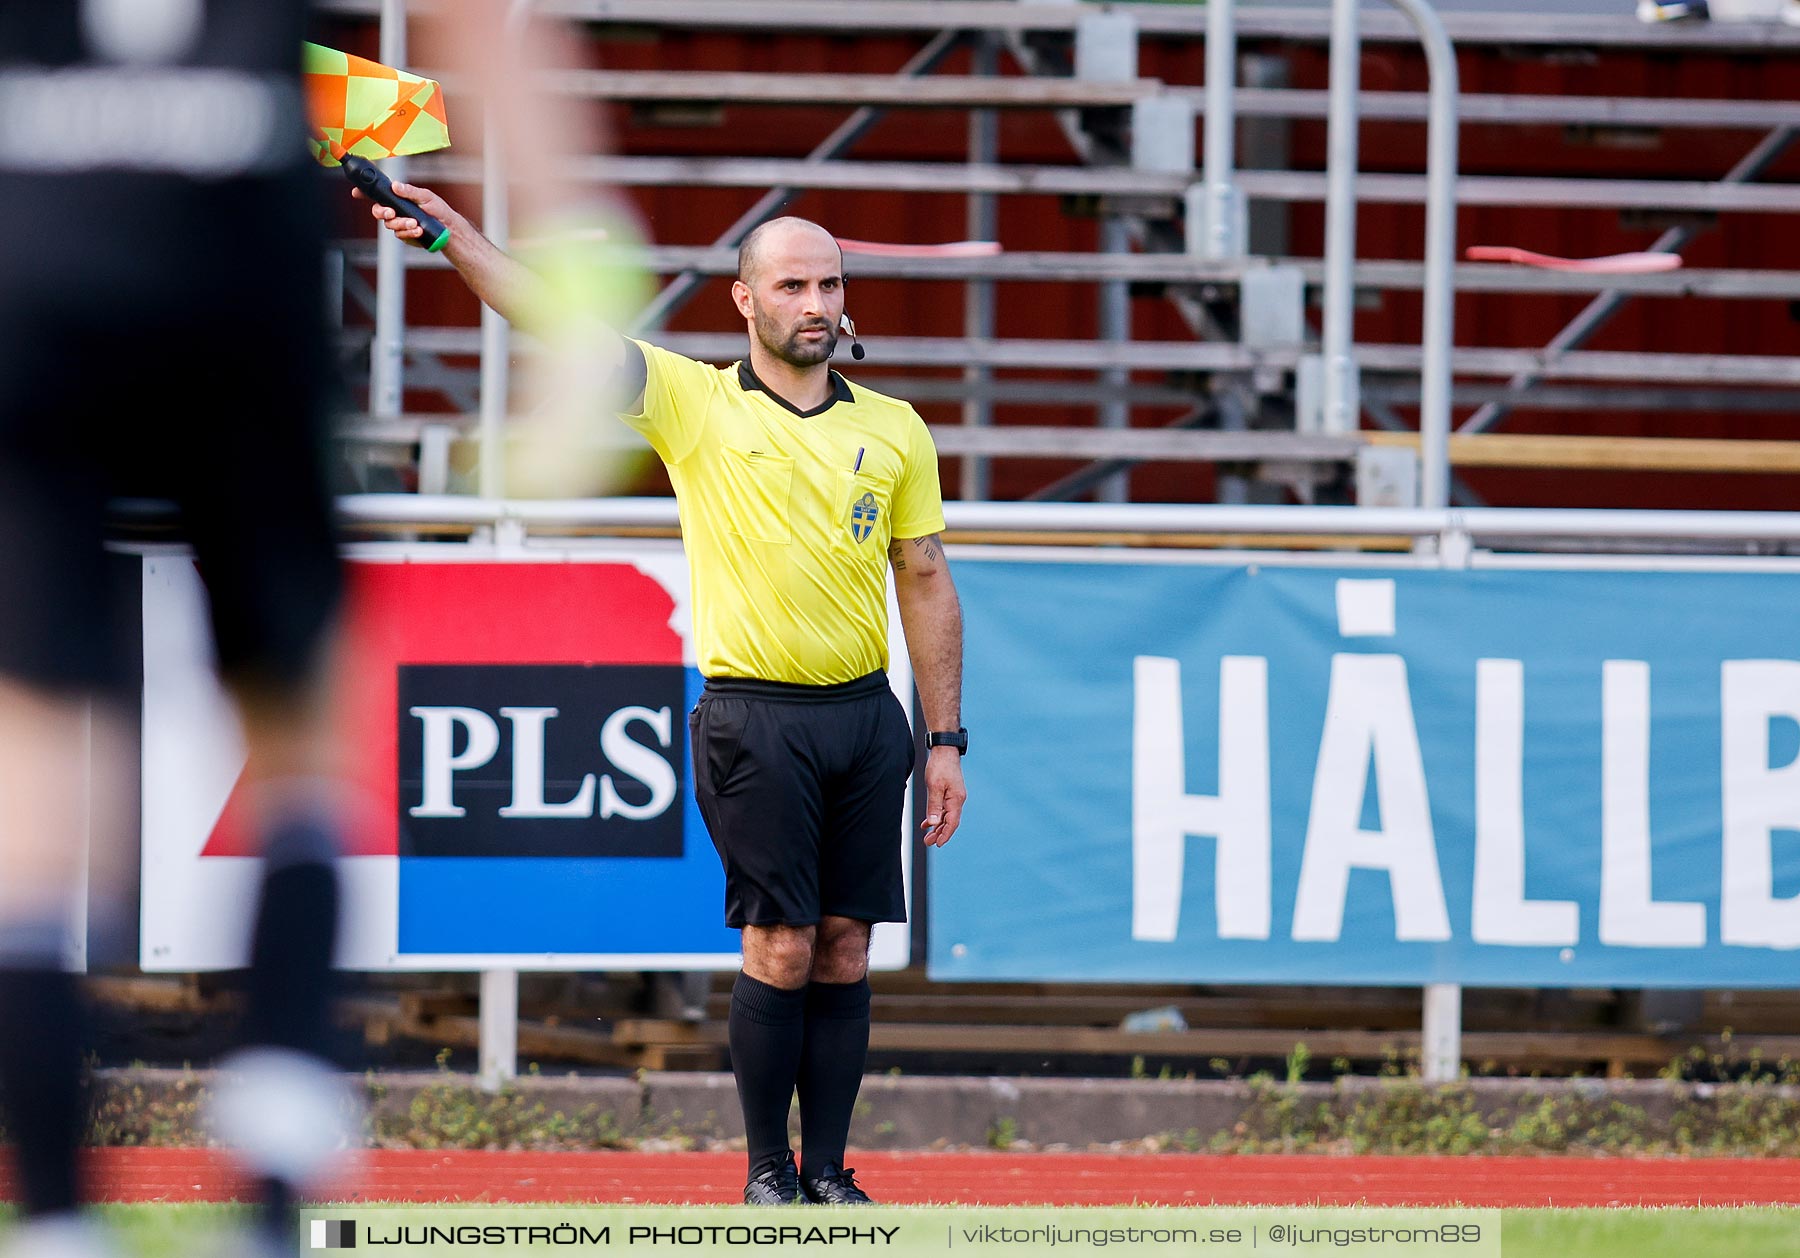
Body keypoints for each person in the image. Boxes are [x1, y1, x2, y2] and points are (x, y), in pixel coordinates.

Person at [364, 187, 969, 1206]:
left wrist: (945, 736)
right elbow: (551, 315)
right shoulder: (695, 402)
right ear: (745, 300)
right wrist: (449, 233)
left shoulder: (898, 429)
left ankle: (828, 1171)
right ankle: (766, 1170)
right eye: (793, 284)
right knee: (778, 941)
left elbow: (925, 576)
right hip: (754, 714)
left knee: (846, 941)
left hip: (869, 716)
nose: (816, 301)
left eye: (830, 282)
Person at [0, 2, 351, 1254]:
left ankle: (53, 1214)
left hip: (41, 271)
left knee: (32, 812)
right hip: (235, 268)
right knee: (301, 747)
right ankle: (268, 1180)